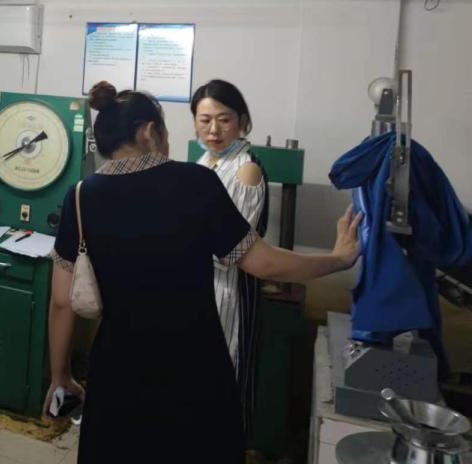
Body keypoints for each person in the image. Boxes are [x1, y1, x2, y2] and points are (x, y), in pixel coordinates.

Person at [46, 82, 362, 464]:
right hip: (193, 365)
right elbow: (263, 263)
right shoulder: (195, 182)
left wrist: (60, 376)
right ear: (149, 132)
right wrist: (337, 259)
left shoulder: (80, 196)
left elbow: (61, 301)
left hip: (119, 368)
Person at [191, 78, 267, 428]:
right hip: (197, 287)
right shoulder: (204, 163)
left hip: (225, 291)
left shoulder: (245, 170)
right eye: (205, 120)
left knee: (219, 377)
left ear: (242, 122)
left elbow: (226, 251)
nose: (214, 130)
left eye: (224, 120)